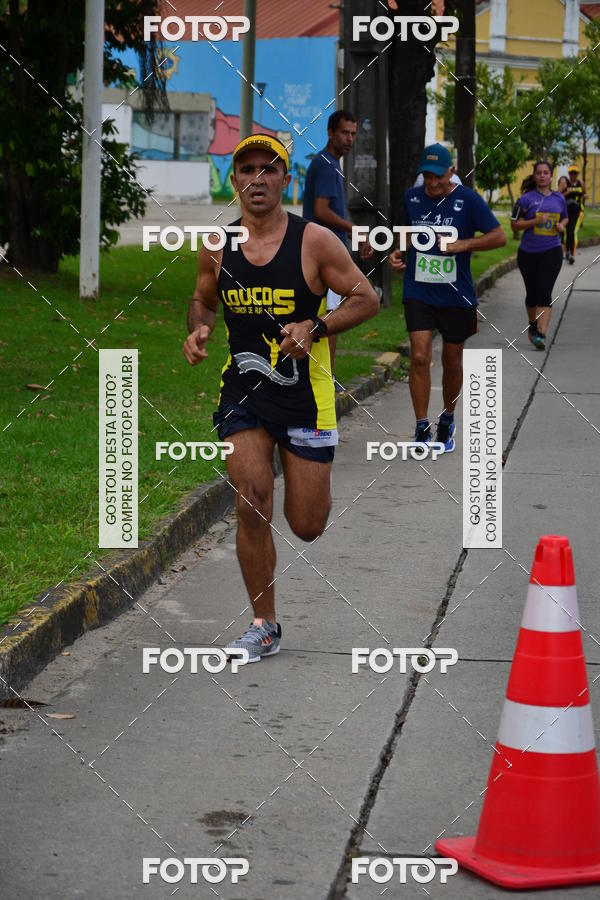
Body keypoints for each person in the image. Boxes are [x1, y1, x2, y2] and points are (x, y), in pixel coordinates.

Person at [183, 134, 379, 662]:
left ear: (285, 180)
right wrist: (198, 330)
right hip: (244, 390)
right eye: (246, 169)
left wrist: (315, 325)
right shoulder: (217, 246)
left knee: (307, 524)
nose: (257, 178)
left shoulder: (315, 241)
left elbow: (367, 298)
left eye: (268, 170)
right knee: (251, 501)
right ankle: (263, 623)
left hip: (305, 396)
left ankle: (307, 492)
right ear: (235, 181)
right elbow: (202, 301)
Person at [389, 143, 506, 453]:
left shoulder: (467, 200)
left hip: (456, 295)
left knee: (452, 360)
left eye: (438, 177)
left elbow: (499, 236)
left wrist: (462, 245)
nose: (433, 183)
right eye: (427, 177)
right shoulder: (412, 198)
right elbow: (405, 232)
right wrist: (398, 252)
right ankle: (420, 427)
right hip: (419, 291)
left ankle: (448, 417)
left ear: (451, 172)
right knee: (419, 357)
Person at [302, 110, 372, 384]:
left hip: (328, 251)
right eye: (344, 132)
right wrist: (354, 229)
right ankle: (325, 380)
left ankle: (326, 377)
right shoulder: (326, 164)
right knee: (331, 319)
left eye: (353, 133)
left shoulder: (329, 163)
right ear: (331, 132)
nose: (349, 138)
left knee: (331, 317)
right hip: (324, 255)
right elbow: (321, 210)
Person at [511, 160, 568, 350]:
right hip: (528, 253)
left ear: (551, 176)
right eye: (539, 173)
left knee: (545, 292)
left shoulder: (559, 198)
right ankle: (533, 325)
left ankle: (541, 335)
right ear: (535, 176)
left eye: (546, 173)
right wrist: (535, 220)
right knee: (532, 295)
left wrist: (562, 225)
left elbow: (565, 217)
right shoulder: (525, 199)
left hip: (552, 251)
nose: (542, 175)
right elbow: (514, 224)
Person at [564, 164, 587, 264]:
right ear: (569, 174)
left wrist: (585, 196)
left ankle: (572, 255)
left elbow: (585, 194)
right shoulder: (565, 183)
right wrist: (567, 193)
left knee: (572, 232)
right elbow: (558, 194)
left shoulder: (581, 183)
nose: (573, 175)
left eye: (575, 173)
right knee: (567, 232)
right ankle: (567, 251)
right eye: (572, 173)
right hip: (566, 211)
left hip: (578, 211)